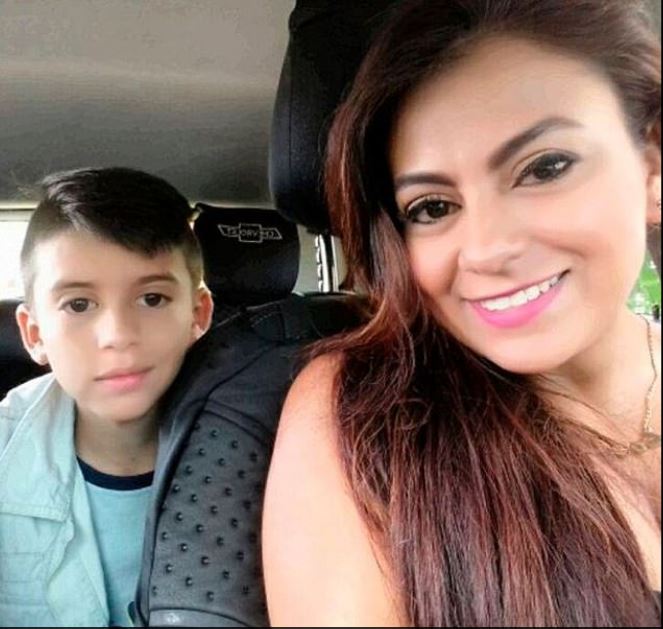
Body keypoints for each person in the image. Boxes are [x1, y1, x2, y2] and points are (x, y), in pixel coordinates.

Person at [262, 0, 661, 626]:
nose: (487, 250)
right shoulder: (366, 414)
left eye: (544, 168)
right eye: (432, 207)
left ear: (653, 166)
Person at [0, 167, 213, 626]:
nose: (117, 335)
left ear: (198, 314)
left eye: (152, 299)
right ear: (34, 334)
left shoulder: (271, 444)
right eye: (78, 304)